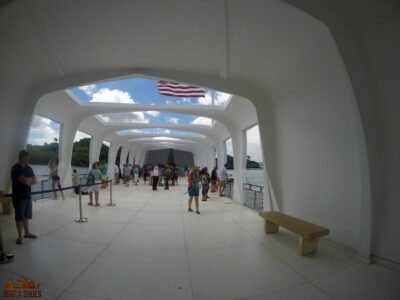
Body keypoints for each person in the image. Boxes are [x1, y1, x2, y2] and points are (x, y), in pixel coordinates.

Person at [11, 150, 37, 244]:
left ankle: (27, 233)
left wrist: (28, 180)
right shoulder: (15, 168)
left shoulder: (29, 168)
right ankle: (19, 237)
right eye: (27, 158)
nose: (28, 159)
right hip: (18, 197)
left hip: (27, 196)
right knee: (19, 217)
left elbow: (34, 181)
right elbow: (25, 181)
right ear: (22, 157)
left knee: (26, 216)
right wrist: (29, 180)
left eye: (28, 158)